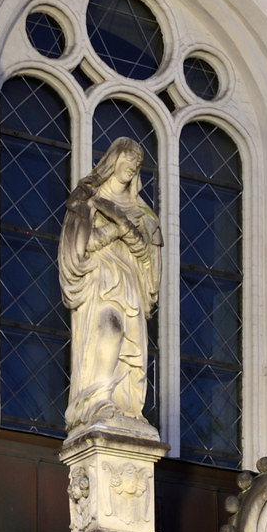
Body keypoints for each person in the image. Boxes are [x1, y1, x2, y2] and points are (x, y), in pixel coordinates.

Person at [59, 137, 163, 432]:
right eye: (128, 157)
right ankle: (97, 399)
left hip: (130, 284)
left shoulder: (143, 213)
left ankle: (126, 407)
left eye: (137, 162)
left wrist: (132, 235)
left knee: (131, 350)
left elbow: (148, 258)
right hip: (100, 280)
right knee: (110, 329)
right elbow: (80, 247)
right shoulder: (87, 201)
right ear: (113, 159)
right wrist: (115, 229)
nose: (132, 165)